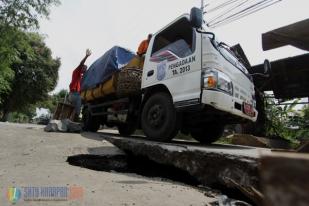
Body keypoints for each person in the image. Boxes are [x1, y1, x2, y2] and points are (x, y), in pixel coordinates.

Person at [69, 49, 92, 121]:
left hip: (75, 95)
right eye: (85, 68)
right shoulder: (76, 72)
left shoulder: (80, 77)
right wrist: (86, 56)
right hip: (74, 95)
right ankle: (75, 120)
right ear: (81, 68)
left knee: (81, 103)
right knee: (77, 110)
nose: (85, 70)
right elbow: (81, 63)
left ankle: (71, 120)